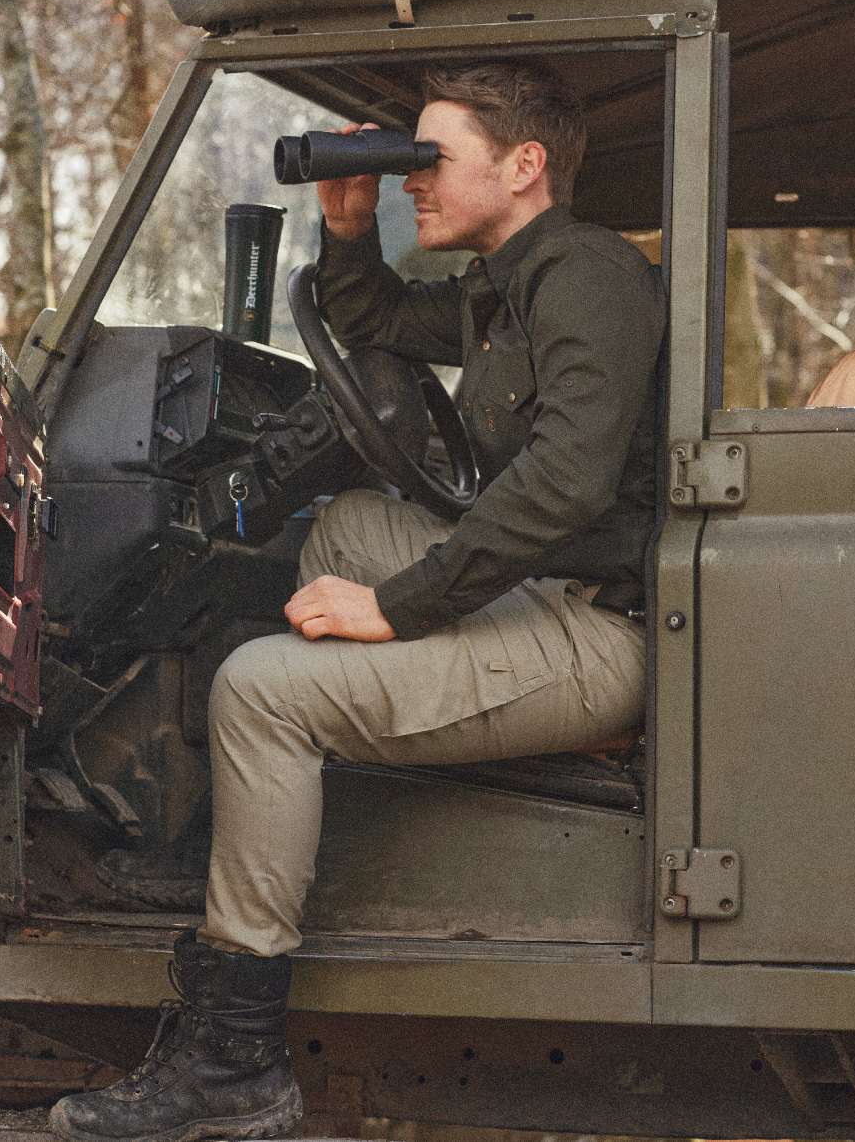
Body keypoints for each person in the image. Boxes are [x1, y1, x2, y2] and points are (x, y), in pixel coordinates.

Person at [49, 60, 667, 1142]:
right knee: (341, 527)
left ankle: (233, 1058)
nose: (412, 179)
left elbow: (565, 479)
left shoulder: (587, 277)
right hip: (549, 583)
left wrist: (402, 607)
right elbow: (372, 320)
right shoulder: (507, 280)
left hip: (599, 630)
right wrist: (347, 221)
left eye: (430, 159)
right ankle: (248, 835)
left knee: (260, 690)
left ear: (524, 166)